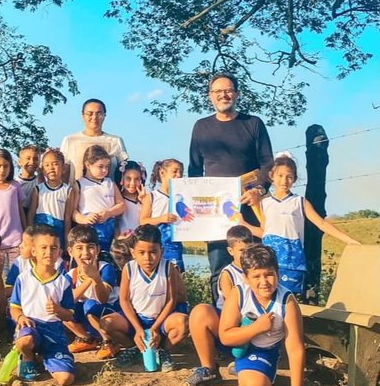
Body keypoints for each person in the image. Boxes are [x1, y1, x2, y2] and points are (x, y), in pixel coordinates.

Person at [189, 73, 274, 304]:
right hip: (215, 215)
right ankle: (221, 325)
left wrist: (259, 189)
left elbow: (268, 163)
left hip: (248, 210)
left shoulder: (253, 123)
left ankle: (256, 324)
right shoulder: (201, 127)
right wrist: (196, 211)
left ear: (236, 93)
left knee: (255, 268)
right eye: (218, 92)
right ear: (210, 96)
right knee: (219, 268)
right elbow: (194, 170)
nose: (223, 95)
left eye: (228, 90)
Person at [247, 155, 357, 296]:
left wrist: (349, 240)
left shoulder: (299, 202)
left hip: (292, 264)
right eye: (280, 175)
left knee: (288, 301)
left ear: (294, 179)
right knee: (268, 300)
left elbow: (321, 223)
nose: (284, 181)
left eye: (289, 177)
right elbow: (265, 231)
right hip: (269, 263)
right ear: (271, 176)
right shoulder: (264, 203)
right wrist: (243, 224)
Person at [218, 245, 306, 386]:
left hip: (265, 350)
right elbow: (225, 337)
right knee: (200, 313)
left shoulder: (287, 301)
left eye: (269, 275)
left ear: (277, 274)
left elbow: (295, 348)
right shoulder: (238, 293)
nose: (264, 282)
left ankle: (251, 369)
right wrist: (257, 327)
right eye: (256, 276)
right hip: (240, 345)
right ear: (245, 278)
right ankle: (215, 369)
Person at [100, 224, 188, 372]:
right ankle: (134, 348)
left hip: (161, 319)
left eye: (153, 252)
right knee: (106, 324)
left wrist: (154, 328)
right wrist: (138, 328)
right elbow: (124, 300)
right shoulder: (129, 269)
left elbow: (171, 300)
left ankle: (164, 350)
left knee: (184, 322)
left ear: (162, 250)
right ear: (133, 252)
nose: (147, 258)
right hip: (137, 319)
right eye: (141, 252)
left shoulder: (168, 268)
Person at [185, 225, 254, 386]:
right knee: (201, 312)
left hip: (254, 330)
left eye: (249, 250)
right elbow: (234, 306)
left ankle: (244, 362)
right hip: (232, 327)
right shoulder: (227, 274)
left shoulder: (258, 269)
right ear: (231, 251)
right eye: (241, 250)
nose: (246, 255)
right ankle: (209, 368)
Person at [9, 224, 76, 386]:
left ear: (59, 253)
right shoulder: (23, 279)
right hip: (31, 326)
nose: (48, 252)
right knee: (24, 340)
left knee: (66, 379)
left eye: (53, 248)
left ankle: (50, 358)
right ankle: (28, 358)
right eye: (43, 247)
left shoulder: (63, 282)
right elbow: (14, 307)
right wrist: (20, 317)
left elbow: (70, 314)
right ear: (34, 251)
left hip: (54, 333)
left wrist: (58, 310)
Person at [64, 225, 120, 359]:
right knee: (62, 308)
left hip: (109, 314)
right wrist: (87, 279)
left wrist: (94, 277)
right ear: (71, 251)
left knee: (90, 305)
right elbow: (68, 301)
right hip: (88, 319)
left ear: (98, 249)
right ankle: (87, 339)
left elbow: (103, 299)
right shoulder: (71, 275)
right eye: (79, 248)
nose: (85, 253)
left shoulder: (105, 268)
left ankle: (109, 342)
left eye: (90, 247)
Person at [60, 98, 129, 185]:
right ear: (82, 115)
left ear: (104, 116)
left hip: (108, 195)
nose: (94, 117)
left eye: (99, 113)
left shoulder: (116, 141)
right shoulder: (70, 140)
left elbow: (124, 171)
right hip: (77, 194)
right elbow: (64, 172)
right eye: (90, 113)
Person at [73, 145, 125, 253]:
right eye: (100, 166)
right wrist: (83, 219)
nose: (104, 170)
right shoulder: (79, 184)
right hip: (88, 232)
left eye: (107, 167)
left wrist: (109, 213)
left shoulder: (110, 183)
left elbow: (121, 205)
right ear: (88, 165)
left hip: (109, 230)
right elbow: (73, 211)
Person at [28, 148, 75, 258]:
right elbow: (30, 215)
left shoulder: (68, 191)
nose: (51, 168)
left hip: (58, 234)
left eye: (55, 164)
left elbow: (67, 219)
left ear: (63, 168)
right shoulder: (38, 189)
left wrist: (67, 242)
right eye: (47, 165)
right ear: (42, 169)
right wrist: (30, 237)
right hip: (40, 233)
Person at [140, 159, 186, 272]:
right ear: (162, 173)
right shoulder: (152, 196)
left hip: (175, 246)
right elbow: (143, 221)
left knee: (175, 278)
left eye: (181, 172)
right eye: (175, 171)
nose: (178, 175)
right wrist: (161, 219)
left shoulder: (184, 198)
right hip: (155, 245)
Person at [115, 160, 147, 239]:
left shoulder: (146, 199)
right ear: (121, 179)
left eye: (137, 179)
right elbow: (114, 223)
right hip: (124, 241)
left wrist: (144, 201)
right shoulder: (118, 200)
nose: (132, 183)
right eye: (128, 178)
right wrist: (117, 236)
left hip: (141, 241)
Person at [15, 145, 41, 217]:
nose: (32, 162)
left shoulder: (40, 183)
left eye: (35, 159)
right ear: (20, 162)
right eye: (28, 158)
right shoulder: (14, 183)